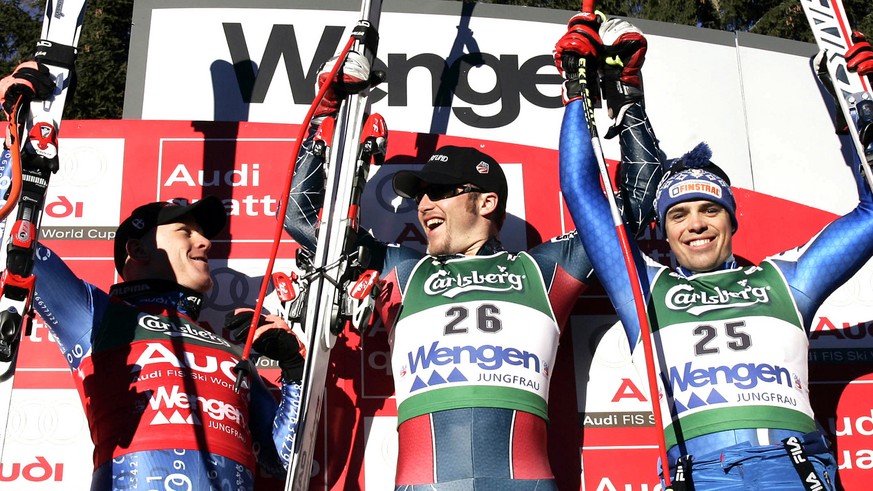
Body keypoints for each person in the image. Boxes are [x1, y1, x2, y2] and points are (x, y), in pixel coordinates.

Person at [282, 18, 661, 489]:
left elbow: (631, 212)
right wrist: (327, 112)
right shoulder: (400, 270)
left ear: (486, 202)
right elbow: (303, 220)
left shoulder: (542, 270)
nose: (424, 205)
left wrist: (626, 95)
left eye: (440, 192)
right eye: (421, 194)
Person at [557, 16, 873, 490]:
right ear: (663, 230)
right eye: (679, 215)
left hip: (791, 467)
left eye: (710, 210)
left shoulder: (784, 282)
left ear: (732, 219)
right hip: (696, 474)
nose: (697, 225)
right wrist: (575, 89)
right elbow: (580, 189)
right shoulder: (643, 288)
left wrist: (855, 111)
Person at [0, 63, 304, 490]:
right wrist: (9, 131)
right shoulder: (97, 314)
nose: (204, 244)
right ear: (138, 250)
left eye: (204, 235)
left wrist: (293, 371)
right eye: (186, 231)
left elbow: (282, 461)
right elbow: (14, 241)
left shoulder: (230, 351)